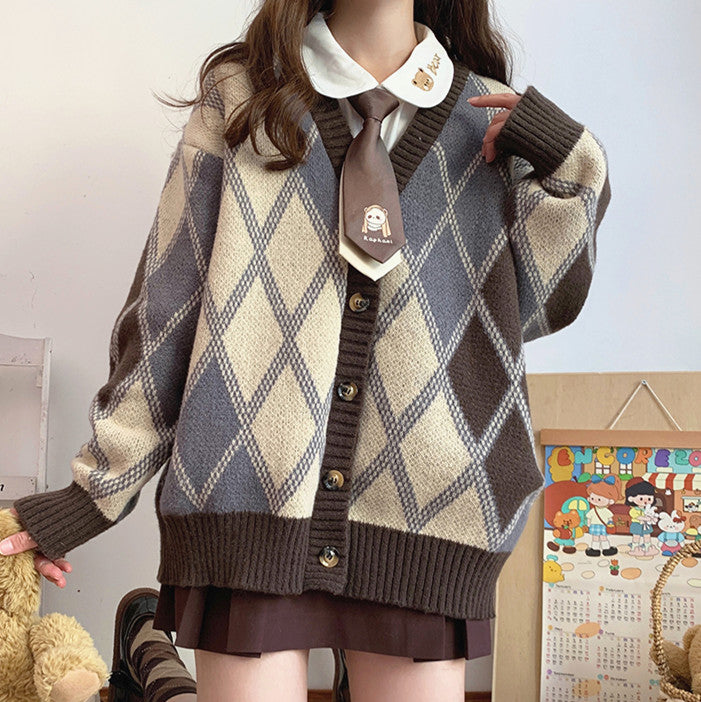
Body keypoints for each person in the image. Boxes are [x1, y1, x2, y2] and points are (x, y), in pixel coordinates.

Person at [0, 0, 612, 700]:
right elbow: (168, 316)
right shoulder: (241, 100)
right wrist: (91, 497)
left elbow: (531, 312)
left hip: (431, 525)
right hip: (246, 512)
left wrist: (573, 170)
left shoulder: (491, 122)